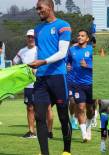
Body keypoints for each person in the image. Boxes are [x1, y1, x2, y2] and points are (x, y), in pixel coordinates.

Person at [28, 0, 72, 154]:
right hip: (41, 78)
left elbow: (62, 53)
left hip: (58, 77)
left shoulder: (63, 25)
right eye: (36, 9)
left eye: (40, 8)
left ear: (50, 7)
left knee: (63, 116)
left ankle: (66, 150)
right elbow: (41, 50)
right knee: (39, 116)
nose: (38, 11)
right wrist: (35, 66)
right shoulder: (37, 28)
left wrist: (43, 62)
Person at [13, 29, 54, 139]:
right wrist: (19, 72)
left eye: (32, 37)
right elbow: (14, 62)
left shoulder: (41, 50)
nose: (31, 39)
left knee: (48, 108)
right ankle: (31, 131)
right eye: (29, 37)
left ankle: (49, 132)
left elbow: (49, 62)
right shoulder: (22, 51)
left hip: (42, 83)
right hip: (28, 84)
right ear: (27, 38)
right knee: (30, 108)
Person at [67, 30, 94, 143]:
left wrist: (88, 66)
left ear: (87, 39)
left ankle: (88, 127)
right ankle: (84, 134)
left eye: (82, 36)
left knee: (90, 110)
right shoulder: (72, 50)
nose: (79, 37)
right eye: (78, 35)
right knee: (81, 108)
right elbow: (66, 62)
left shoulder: (92, 50)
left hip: (91, 84)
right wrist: (67, 66)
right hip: (77, 84)